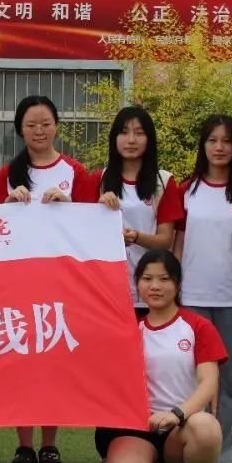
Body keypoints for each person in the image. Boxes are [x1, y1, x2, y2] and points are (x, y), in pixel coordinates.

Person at [0, 95, 90, 463]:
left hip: (61, 284)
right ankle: (23, 445)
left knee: (53, 363)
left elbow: (91, 223)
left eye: (45, 123)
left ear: (57, 126)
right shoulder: (7, 174)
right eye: (31, 125)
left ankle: (49, 445)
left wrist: (69, 205)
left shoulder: (75, 171)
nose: (39, 131)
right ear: (20, 130)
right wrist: (7, 202)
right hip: (18, 283)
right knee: (21, 364)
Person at [99, 249, 226, 463]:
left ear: (177, 284)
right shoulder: (130, 330)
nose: (155, 286)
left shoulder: (198, 327)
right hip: (139, 428)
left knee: (207, 427)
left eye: (164, 279)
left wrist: (177, 414)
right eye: (147, 279)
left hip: (182, 427)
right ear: (137, 284)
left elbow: (209, 383)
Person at [173, 115, 232, 463]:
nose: (219, 147)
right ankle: (196, 452)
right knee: (195, 382)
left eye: (227, 141)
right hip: (193, 298)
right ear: (202, 145)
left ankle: (229, 457)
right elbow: (177, 243)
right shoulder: (187, 191)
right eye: (212, 140)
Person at [93, 106, 184, 314]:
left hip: (150, 293)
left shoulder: (163, 182)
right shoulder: (98, 180)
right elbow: (82, 232)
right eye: (124, 132)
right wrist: (98, 211)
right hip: (108, 290)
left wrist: (135, 237)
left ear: (149, 139)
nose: (131, 140)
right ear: (114, 138)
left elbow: (165, 240)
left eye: (139, 133)